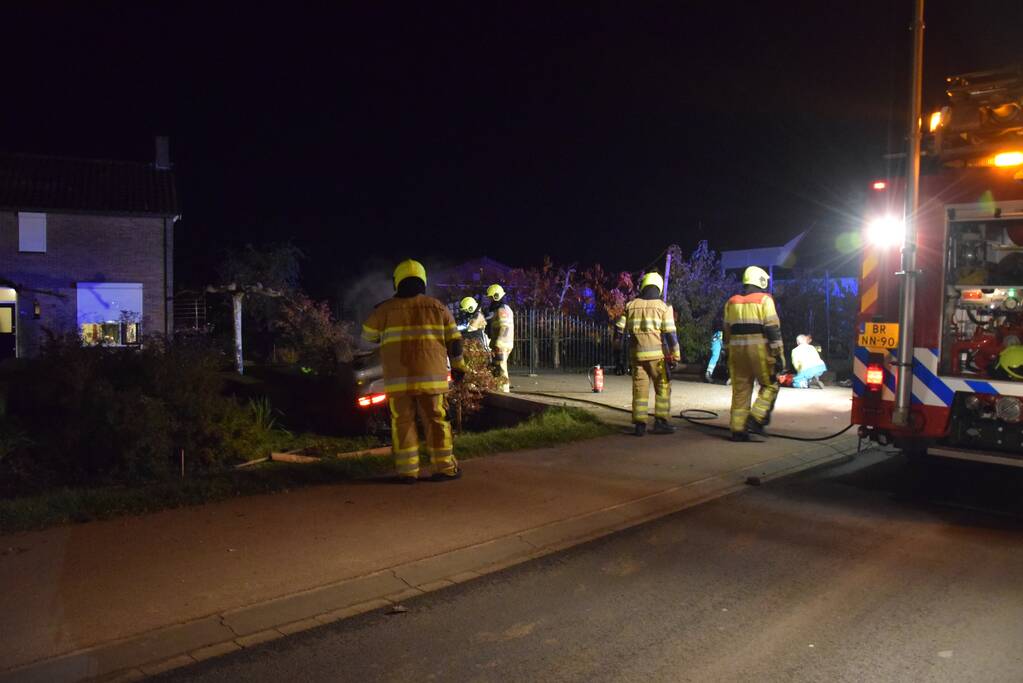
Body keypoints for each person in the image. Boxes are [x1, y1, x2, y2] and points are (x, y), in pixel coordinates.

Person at [362, 259, 466, 483]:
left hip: (399, 382)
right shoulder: (437, 307)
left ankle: (407, 472)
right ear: (422, 280)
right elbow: (455, 342)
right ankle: (445, 468)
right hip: (433, 381)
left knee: (403, 423)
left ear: (397, 282)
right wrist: (458, 368)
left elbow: (367, 336)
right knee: (437, 421)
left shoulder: (384, 310)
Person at [615, 272, 681, 436]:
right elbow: (671, 335)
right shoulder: (663, 307)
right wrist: (676, 355)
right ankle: (661, 422)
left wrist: (617, 357)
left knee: (640, 390)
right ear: (658, 288)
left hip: (637, 357)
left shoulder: (630, 306)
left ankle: (639, 425)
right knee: (663, 387)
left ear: (643, 287)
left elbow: (618, 332)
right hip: (657, 359)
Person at [723, 266, 784, 442]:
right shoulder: (764, 300)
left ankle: (738, 430)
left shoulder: (731, 302)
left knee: (741, 390)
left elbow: (726, 330)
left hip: (736, 352)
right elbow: (772, 328)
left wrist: (727, 352)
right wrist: (778, 354)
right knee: (771, 385)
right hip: (759, 351)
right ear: (761, 281)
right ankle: (756, 419)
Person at [486, 283, 514, 392]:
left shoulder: (502, 309)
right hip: (501, 343)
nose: (489, 300)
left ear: (496, 296)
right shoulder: (500, 309)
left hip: (501, 344)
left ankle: (503, 392)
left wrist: (498, 343)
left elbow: (505, 327)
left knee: (501, 368)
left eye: (490, 297)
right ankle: (499, 389)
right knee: (497, 368)